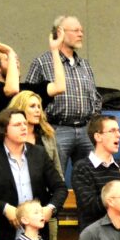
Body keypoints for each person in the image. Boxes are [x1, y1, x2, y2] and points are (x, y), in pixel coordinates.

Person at [0, 108, 66, 240]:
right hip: (4, 236)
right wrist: (4, 208)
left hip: (37, 235)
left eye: (25, 123)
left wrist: (50, 208)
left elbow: (60, 187)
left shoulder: (39, 153)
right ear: (4, 130)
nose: (24, 127)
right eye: (17, 125)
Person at [24, 15, 102, 173]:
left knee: (91, 176)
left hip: (85, 130)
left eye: (82, 30)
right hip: (56, 129)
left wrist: (93, 120)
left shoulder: (84, 65)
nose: (81, 34)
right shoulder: (42, 63)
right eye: (76, 30)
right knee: (55, 175)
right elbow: (27, 98)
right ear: (60, 33)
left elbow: (95, 96)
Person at [0, 32, 66, 133]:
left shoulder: (26, 89)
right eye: (9, 59)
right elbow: (12, 90)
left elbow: (59, 87)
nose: (15, 62)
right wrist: (10, 53)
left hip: (28, 141)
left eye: (16, 59)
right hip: (2, 142)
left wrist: (55, 50)